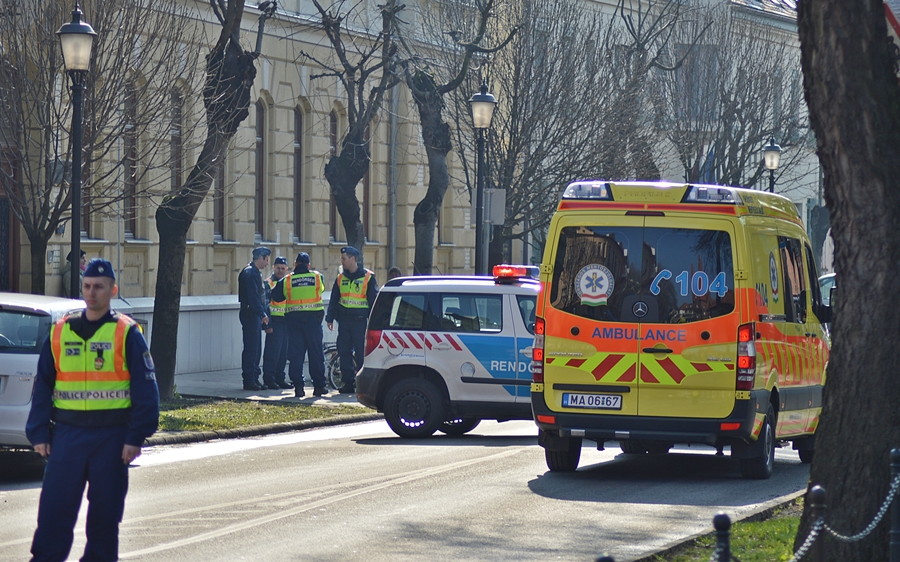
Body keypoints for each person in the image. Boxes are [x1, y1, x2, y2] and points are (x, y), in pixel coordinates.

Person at [26, 258, 159, 562]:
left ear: (112, 290)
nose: (91, 292)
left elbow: (146, 390)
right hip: (67, 437)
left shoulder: (127, 333)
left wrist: (134, 437)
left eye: (98, 287)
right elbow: (43, 385)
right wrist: (38, 432)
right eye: (87, 286)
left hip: (111, 441)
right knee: (53, 517)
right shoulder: (61, 332)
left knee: (103, 521)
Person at [272, 252, 328, 397]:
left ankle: (298, 387)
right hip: (313, 322)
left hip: (294, 322)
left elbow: (276, 296)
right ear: (308, 265)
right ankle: (319, 386)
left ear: (295, 264)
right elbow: (321, 289)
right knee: (316, 353)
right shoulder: (317, 277)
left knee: (296, 354)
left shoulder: (287, 280)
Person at [325, 246, 378, 394]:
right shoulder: (341, 278)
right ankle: (348, 382)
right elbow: (334, 299)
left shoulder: (368, 277)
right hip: (344, 321)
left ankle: (363, 383)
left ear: (353, 259)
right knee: (344, 352)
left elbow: (373, 301)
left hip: (360, 322)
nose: (341, 261)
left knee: (362, 353)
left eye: (344, 258)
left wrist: (374, 322)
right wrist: (329, 318)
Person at [238, 246, 271, 391]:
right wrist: (262, 313)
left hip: (252, 313)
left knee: (256, 347)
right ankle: (249, 379)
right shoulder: (250, 273)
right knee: (252, 348)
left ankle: (254, 378)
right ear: (261, 258)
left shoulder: (254, 272)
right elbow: (253, 297)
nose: (268, 263)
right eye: (267, 259)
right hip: (250, 313)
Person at [262, 256, 293, 390]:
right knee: (272, 353)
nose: (280, 271)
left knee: (283, 354)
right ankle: (269, 379)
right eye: (278, 268)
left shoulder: (287, 282)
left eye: (283, 268)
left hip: (286, 321)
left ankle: (280, 378)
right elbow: (265, 305)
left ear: (286, 269)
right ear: (273, 268)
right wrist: (267, 325)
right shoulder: (268, 283)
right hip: (274, 321)